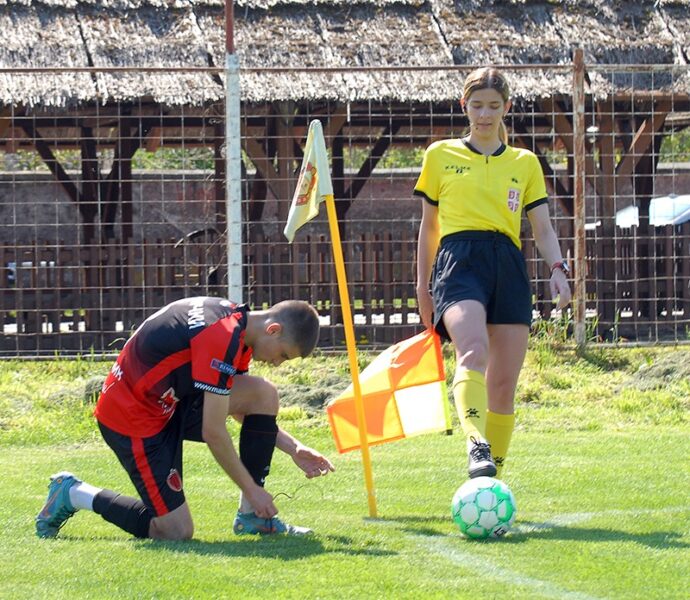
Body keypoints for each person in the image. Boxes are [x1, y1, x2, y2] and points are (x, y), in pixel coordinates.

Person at [36, 297, 334, 540]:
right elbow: (213, 431)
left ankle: (252, 519)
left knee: (262, 394)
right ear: (273, 330)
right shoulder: (222, 336)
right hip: (132, 418)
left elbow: (242, 410)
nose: (278, 364)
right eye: (283, 355)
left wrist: (293, 448)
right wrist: (252, 490)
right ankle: (73, 493)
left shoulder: (239, 331)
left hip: (171, 404)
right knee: (175, 532)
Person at [415, 67, 572, 480]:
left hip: (508, 263)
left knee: (503, 386)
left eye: (494, 106)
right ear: (463, 105)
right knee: (472, 351)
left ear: (507, 108)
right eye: (477, 105)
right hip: (458, 261)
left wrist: (558, 269)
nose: (484, 115)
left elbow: (542, 228)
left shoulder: (525, 163)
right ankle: (475, 442)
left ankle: (490, 485)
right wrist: (422, 287)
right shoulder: (440, 154)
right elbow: (429, 227)